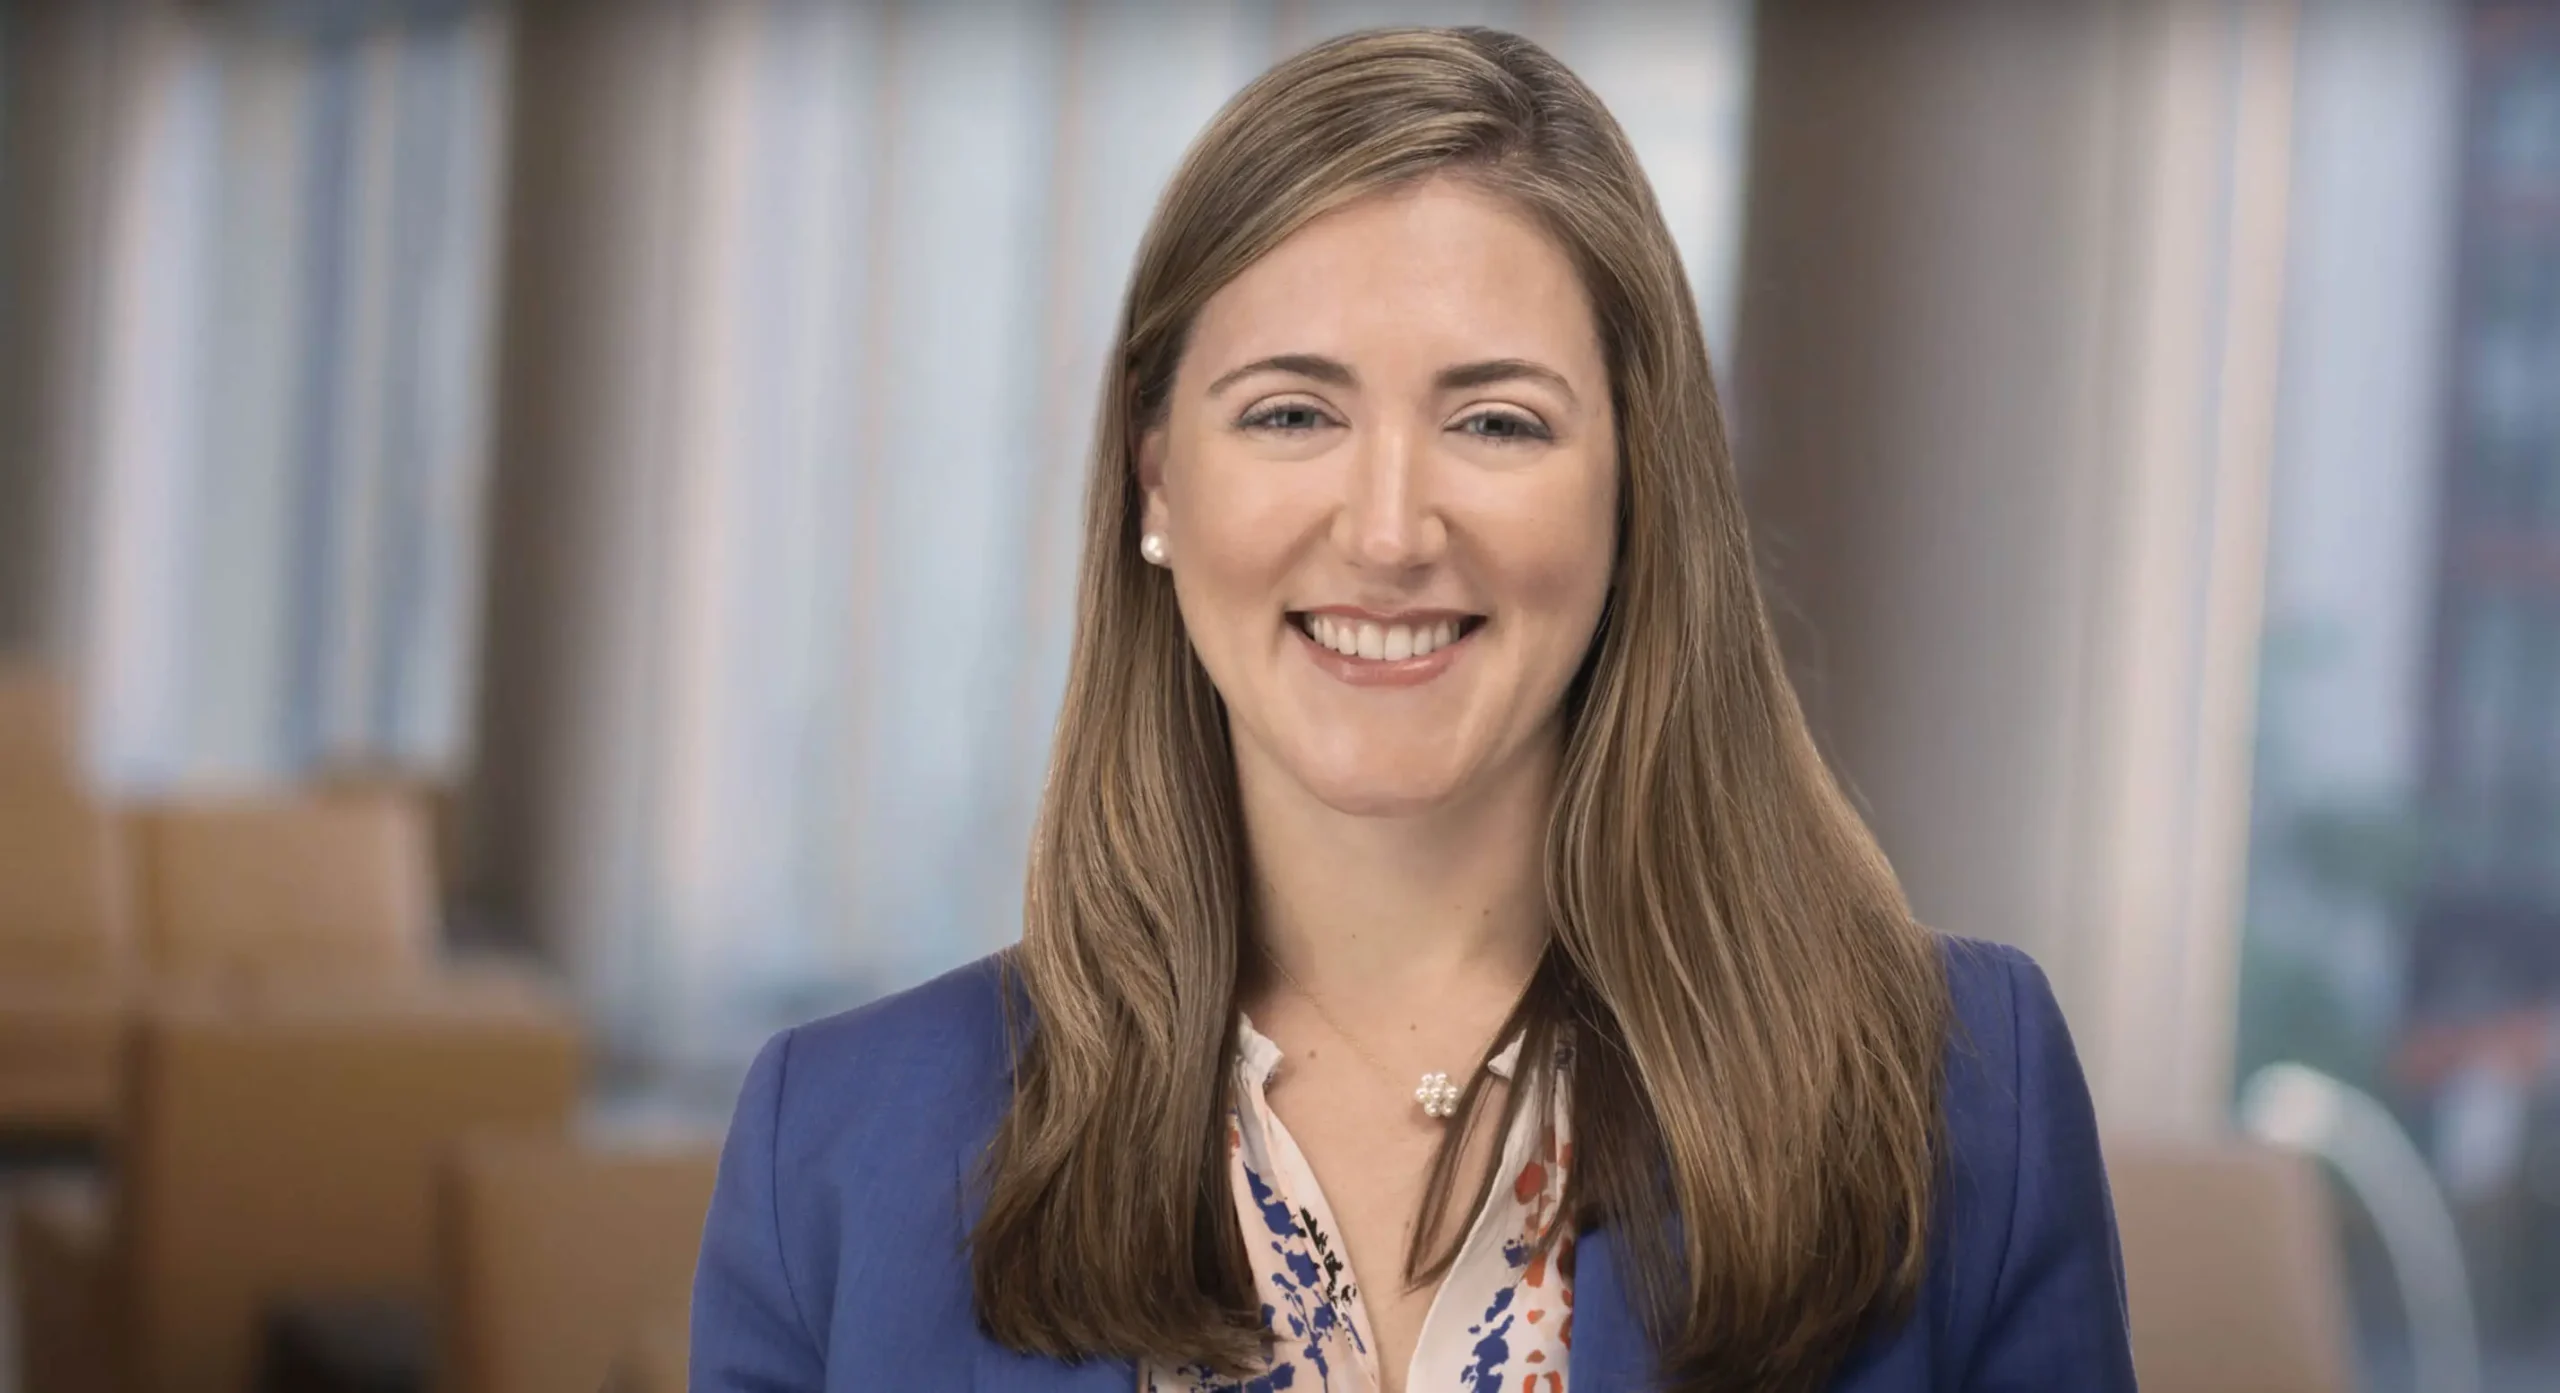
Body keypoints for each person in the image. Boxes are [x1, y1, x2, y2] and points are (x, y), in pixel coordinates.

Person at [690, 24, 2134, 1393]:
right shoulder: (834, 1147)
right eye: (1290, 413)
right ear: (1156, 477)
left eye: (1496, 421)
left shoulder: (1957, 1096)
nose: (1388, 532)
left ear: (1636, 489)